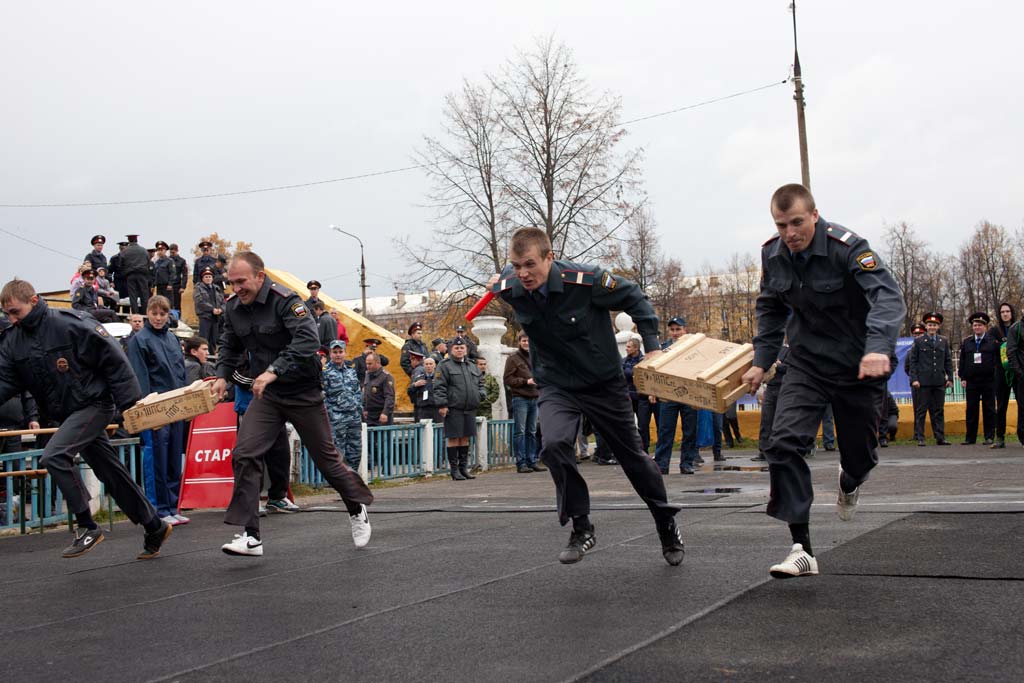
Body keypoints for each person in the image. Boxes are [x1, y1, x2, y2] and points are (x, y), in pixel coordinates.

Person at [487, 227, 683, 566]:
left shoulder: (585, 281)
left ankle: (665, 521)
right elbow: (501, 281)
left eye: (530, 264)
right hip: (557, 385)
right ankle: (581, 526)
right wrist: (499, 282)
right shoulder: (512, 285)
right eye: (516, 266)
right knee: (553, 446)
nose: (523, 273)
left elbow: (635, 297)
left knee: (633, 459)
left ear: (549, 257)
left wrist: (652, 346)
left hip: (602, 383)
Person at [740, 183, 906, 579]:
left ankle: (850, 480)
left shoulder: (847, 248)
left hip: (858, 367)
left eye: (797, 222)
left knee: (860, 457)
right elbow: (770, 309)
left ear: (814, 215)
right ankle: (802, 549)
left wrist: (878, 348)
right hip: (807, 364)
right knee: (782, 443)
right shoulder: (773, 254)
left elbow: (887, 297)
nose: (790, 233)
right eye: (781, 225)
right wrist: (761, 362)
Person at [210, 251, 373, 556]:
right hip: (268, 395)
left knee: (327, 461)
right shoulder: (233, 307)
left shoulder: (286, 301)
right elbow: (229, 345)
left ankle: (356, 507)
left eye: (241, 281)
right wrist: (221, 376)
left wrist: (274, 370)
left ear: (260, 276)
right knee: (244, 453)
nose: (236, 288)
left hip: (302, 392)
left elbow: (308, 340)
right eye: (232, 283)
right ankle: (250, 536)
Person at [0, 278, 173, 559]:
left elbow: (113, 359)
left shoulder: (68, 324)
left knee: (54, 456)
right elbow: (5, 382)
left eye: (15, 312)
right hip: (69, 413)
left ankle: (87, 525)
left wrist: (130, 405)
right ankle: (154, 526)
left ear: (33, 300)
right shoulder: (13, 341)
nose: (11, 319)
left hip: (95, 404)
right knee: (111, 472)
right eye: (7, 314)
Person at [127, 295, 189, 526]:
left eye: (162, 314)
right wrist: (145, 406)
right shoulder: (139, 340)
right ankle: (158, 509)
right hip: (154, 408)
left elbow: (181, 371)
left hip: (175, 405)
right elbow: (140, 375)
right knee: (156, 459)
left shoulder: (172, 338)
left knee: (173, 457)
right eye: (154, 314)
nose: (158, 318)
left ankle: (173, 506)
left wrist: (185, 400)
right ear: (147, 313)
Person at [654, 316, 701, 474]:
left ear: (685, 330)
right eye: (672, 330)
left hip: (689, 394)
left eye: (678, 329)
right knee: (665, 430)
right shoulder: (663, 348)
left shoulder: (694, 347)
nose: (675, 333)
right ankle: (661, 464)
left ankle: (687, 463)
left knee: (690, 431)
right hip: (669, 395)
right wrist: (653, 391)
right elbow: (656, 372)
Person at [434, 337, 485, 480]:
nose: (459, 350)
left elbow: (481, 382)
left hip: (469, 407)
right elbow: (439, 386)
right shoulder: (444, 365)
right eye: (456, 348)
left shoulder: (472, 365)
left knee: (465, 437)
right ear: (451, 350)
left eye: (462, 347)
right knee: (454, 438)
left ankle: (463, 469)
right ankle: (454, 470)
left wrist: (481, 394)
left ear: (466, 350)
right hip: (453, 408)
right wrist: (442, 404)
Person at [907, 312, 954, 446]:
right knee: (921, 411)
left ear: (938, 327)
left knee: (938, 410)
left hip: (939, 381)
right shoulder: (919, 341)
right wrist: (914, 379)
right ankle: (920, 437)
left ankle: (940, 437)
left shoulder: (943, 341)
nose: (932, 327)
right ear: (926, 326)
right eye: (929, 325)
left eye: (934, 325)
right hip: (923, 382)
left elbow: (948, 361)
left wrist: (950, 378)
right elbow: (913, 362)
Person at [504, 332, 544, 473]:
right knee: (520, 432)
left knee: (532, 431)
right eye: (524, 341)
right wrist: (525, 381)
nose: (526, 343)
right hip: (520, 398)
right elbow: (507, 379)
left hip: (535, 397)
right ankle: (521, 463)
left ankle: (532, 461)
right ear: (519, 342)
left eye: (528, 341)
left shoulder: (536, 357)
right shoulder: (513, 359)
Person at [958, 312, 999, 445]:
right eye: (975, 325)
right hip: (972, 381)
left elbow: (996, 361)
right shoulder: (967, 342)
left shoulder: (992, 342)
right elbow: (962, 361)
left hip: (988, 381)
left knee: (989, 409)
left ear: (985, 327)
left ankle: (989, 436)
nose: (977, 327)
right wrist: (963, 377)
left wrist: (995, 376)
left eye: (980, 325)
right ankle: (970, 438)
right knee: (971, 409)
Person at [323, 340, 363, 471]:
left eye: (340, 352)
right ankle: (339, 479)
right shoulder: (325, 372)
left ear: (345, 353)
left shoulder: (351, 371)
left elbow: (357, 391)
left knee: (355, 452)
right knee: (337, 453)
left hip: (353, 418)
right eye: (335, 352)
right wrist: (330, 414)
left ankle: (353, 477)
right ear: (330, 354)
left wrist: (358, 409)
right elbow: (323, 396)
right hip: (336, 419)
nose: (338, 355)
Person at [622, 337, 656, 453]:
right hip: (629, 398)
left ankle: (644, 449)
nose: (626, 349)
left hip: (642, 398)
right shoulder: (624, 361)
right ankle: (631, 449)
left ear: (636, 348)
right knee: (628, 425)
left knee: (643, 425)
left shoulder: (644, 360)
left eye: (629, 347)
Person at [991, 303, 1018, 449]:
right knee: (1001, 405)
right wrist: (1001, 345)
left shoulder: (1019, 328)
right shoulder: (995, 331)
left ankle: (1022, 436)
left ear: (1012, 312)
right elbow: (990, 346)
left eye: (1007, 311)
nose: (1005, 314)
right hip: (1001, 372)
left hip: (1018, 371)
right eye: (1002, 312)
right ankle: (1000, 437)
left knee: (1022, 404)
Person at [193, 267, 225, 354]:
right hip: (205, 317)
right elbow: (199, 302)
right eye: (206, 277)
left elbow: (223, 302)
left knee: (213, 341)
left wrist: (221, 310)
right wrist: (212, 309)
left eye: (210, 277)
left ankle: (212, 359)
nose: (208, 278)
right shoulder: (198, 288)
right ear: (202, 278)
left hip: (216, 318)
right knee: (204, 340)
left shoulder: (217, 288)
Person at [120, 234, 152, 314]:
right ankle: (145, 314)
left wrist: (125, 273)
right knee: (144, 295)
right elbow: (148, 263)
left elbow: (121, 264)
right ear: (136, 240)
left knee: (132, 295)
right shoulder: (144, 250)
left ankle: (135, 314)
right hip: (142, 275)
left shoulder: (125, 251)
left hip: (130, 275)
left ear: (129, 241)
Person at [362, 351, 395, 426]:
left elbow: (389, 397)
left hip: (381, 415)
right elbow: (366, 393)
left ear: (377, 363)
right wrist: (365, 408)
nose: (367, 366)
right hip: (370, 415)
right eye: (366, 364)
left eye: (370, 364)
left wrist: (385, 413)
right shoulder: (368, 374)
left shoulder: (386, 377)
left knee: (383, 434)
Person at [410, 356, 439, 422]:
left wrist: (439, 383)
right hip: (423, 409)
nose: (428, 366)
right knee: (424, 427)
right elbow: (410, 391)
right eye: (426, 364)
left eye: (431, 364)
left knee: (438, 427)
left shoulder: (440, 377)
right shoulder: (419, 378)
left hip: (437, 408)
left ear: (435, 365)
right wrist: (415, 385)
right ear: (423, 365)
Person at [152, 241, 178, 306]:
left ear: (165, 250)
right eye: (158, 250)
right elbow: (155, 275)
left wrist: (170, 284)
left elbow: (173, 273)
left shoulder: (169, 261)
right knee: (160, 304)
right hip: (159, 286)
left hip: (167, 286)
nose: (160, 252)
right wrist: (153, 285)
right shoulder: (156, 262)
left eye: (161, 250)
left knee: (168, 304)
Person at [168, 243, 189, 312]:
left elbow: (184, 274)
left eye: (174, 251)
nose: (172, 253)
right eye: (171, 251)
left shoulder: (182, 261)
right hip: (167, 285)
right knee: (167, 304)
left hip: (177, 285)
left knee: (176, 305)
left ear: (177, 250)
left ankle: (177, 317)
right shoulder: (167, 260)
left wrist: (183, 286)